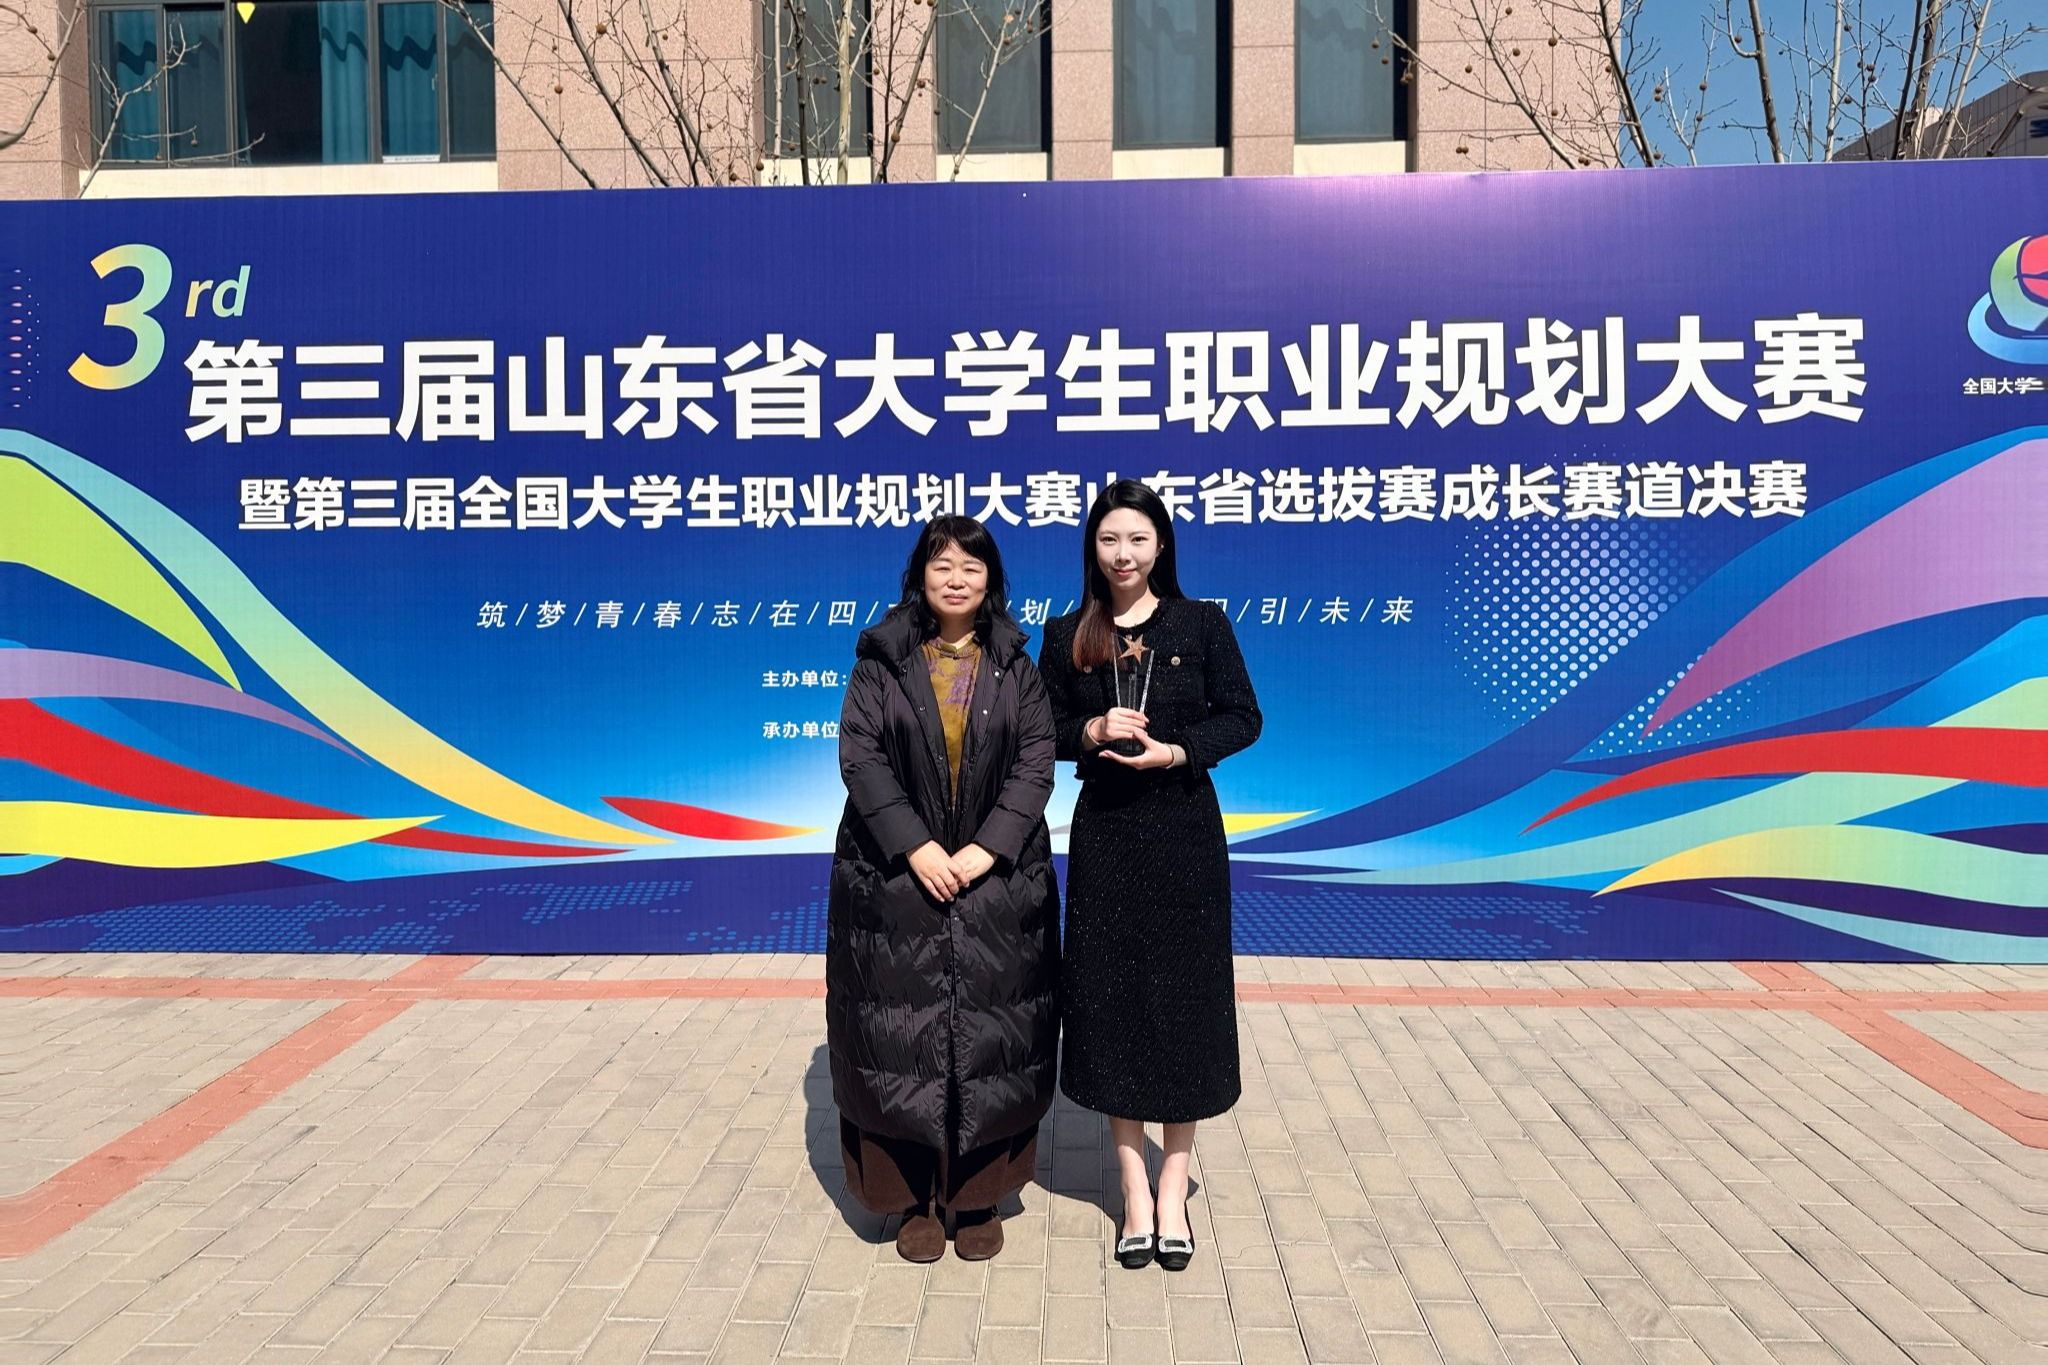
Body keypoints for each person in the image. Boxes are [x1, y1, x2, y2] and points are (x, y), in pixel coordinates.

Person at [1038, 480, 1262, 1273]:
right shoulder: (1066, 632)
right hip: (1108, 835)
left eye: (1137, 538)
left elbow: (1243, 715)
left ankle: (1174, 1186)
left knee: (1184, 1007)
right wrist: (1091, 729)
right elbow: (1044, 727)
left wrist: (1178, 751)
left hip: (1184, 832)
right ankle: (1133, 1189)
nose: (1123, 554)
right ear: (1092, 549)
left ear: (1160, 544)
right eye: (1109, 540)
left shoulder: (1202, 624)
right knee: (1115, 1006)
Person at [826, 515, 1061, 1263]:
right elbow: (862, 758)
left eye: (971, 566)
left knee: (990, 1036)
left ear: (992, 580)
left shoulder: (1015, 662)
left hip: (998, 878)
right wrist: (917, 845)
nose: (956, 579)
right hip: (896, 876)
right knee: (900, 1035)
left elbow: (1036, 760)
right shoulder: (881, 659)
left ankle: (978, 1196)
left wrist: (988, 848)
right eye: (942, 565)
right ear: (919, 576)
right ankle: (912, 1202)